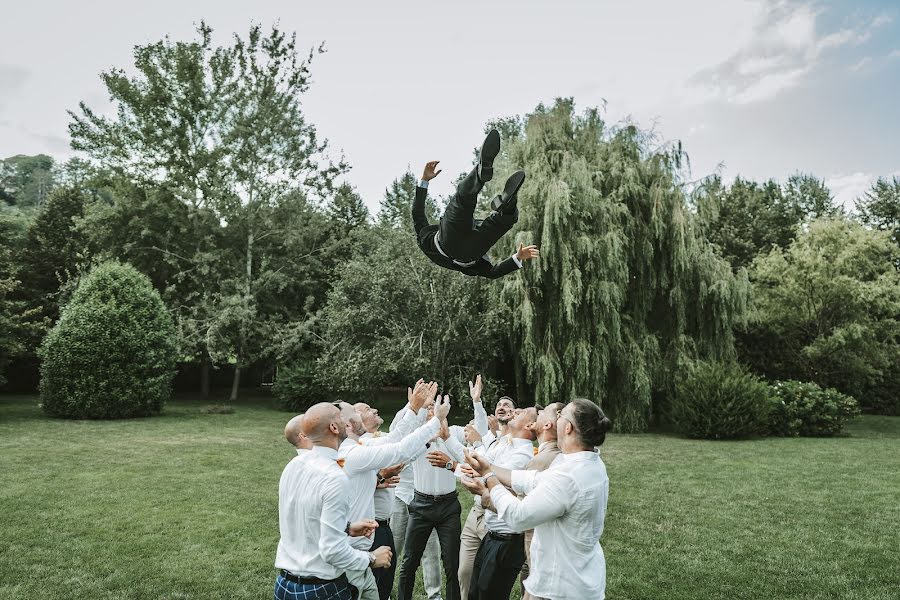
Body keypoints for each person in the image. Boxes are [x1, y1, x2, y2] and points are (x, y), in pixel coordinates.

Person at [461, 399, 612, 600]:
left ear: (567, 428)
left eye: (561, 415)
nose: (556, 418)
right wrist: (487, 467)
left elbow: (518, 516)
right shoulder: (587, 462)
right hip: (579, 577)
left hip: (560, 586)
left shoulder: (568, 476)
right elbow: (532, 479)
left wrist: (489, 478)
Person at [337, 383, 450, 600]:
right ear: (347, 425)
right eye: (360, 412)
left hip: (362, 536)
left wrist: (415, 411)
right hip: (353, 546)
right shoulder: (353, 453)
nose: (373, 411)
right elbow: (399, 448)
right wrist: (434, 418)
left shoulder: (357, 448)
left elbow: (394, 439)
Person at [273, 402, 393, 600]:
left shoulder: (293, 465)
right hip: (320, 589)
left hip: (285, 584)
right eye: (341, 417)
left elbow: (307, 518)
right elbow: (333, 551)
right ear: (334, 428)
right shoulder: (334, 476)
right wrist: (371, 558)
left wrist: (347, 527)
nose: (348, 421)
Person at [412, 129, 540, 279]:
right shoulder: (424, 239)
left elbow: (493, 273)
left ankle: (506, 205)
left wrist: (517, 257)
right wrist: (424, 180)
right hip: (448, 240)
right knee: (462, 201)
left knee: (500, 223)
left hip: (469, 254)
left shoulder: (427, 241)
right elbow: (417, 212)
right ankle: (480, 175)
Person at [458, 407, 537, 600]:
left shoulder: (523, 453)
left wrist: (476, 445)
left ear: (529, 425)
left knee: (490, 594)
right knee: (475, 592)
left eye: (523, 411)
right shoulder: (505, 443)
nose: (516, 410)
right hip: (492, 533)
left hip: (507, 539)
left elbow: (490, 480)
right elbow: (480, 468)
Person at [389, 389, 445, 600]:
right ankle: (384, 589)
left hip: (426, 499)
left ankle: (434, 595)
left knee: (430, 549)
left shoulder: (440, 431)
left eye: (432, 406)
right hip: (402, 494)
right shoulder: (405, 420)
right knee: (393, 545)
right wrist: (412, 406)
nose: (429, 409)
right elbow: (396, 436)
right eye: (426, 405)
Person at [518, 403, 564, 600]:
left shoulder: (543, 460)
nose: (538, 412)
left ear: (547, 425)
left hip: (537, 538)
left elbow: (519, 508)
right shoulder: (551, 454)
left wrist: (487, 494)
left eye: (542, 412)